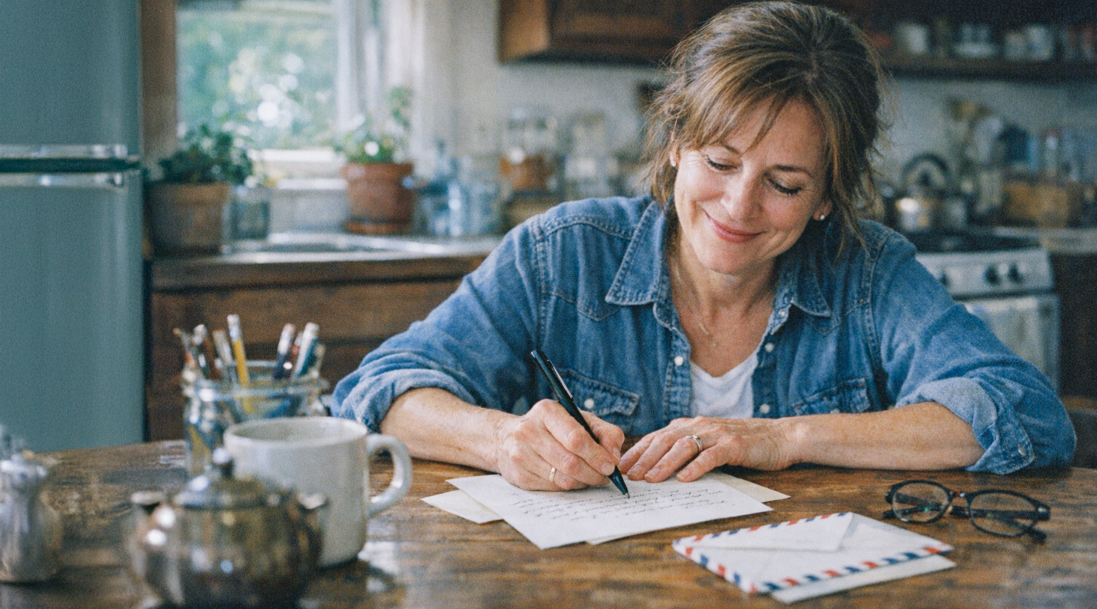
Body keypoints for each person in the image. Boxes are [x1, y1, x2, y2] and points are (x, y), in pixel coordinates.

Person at [333, 1, 1075, 491]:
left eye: (784, 183)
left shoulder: (869, 270)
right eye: (719, 164)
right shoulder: (560, 253)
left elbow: (1024, 411)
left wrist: (781, 438)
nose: (737, 205)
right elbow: (378, 390)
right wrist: (501, 439)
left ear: (826, 196)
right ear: (675, 147)